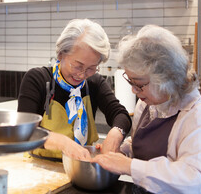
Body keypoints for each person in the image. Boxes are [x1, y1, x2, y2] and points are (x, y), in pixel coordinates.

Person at [92, 25, 201, 194]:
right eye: (130, 81)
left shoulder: (196, 114)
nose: (133, 90)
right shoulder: (147, 103)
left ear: (166, 79)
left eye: (139, 84)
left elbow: (192, 182)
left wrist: (129, 166)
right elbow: (140, 142)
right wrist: (121, 152)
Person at [18, 19, 132, 161]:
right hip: (41, 167)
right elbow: (24, 131)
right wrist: (64, 143)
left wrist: (116, 134)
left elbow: (120, 114)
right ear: (61, 54)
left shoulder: (94, 83)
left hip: (82, 168)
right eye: (78, 66)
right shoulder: (38, 79)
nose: (82, 74)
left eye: (91, 68)